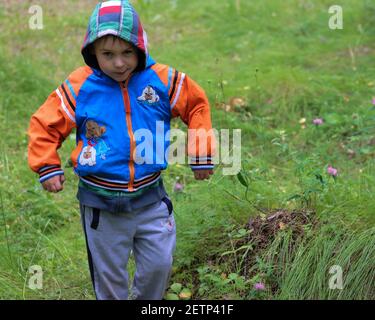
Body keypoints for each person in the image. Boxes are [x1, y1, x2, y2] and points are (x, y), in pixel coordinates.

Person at [27, 0, 215, 300]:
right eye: (108, 54)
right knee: (110, 279)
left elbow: (197, 105)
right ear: (92, 52)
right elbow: (44, 124)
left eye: (127, 52)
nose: (119, 63)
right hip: (100, 204)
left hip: (151, 199)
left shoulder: (162, 80)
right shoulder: (80, 86)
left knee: (159, 266)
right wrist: (46, 164)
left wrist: (201, 153)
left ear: (141, 48)